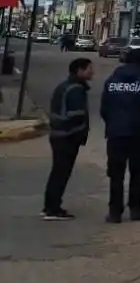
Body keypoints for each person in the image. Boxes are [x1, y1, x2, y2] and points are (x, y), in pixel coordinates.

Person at [99, 47, 140, 223]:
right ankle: (135, 209)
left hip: (115, 133)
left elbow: (104, 107)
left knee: (116, 173)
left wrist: (112, 122)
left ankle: (114, 212)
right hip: (138, 133)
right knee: (137, 171)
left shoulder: (112, 79)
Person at [42, 57, 95, 220]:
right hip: (66, 137)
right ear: (79, 71)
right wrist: (78, 131)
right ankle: (52, 209)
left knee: (58, 172)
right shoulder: (75, 90)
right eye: (89, 69)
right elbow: (76, 116)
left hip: (60, 135)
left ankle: (50, 206)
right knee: (61, 173)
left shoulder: (67, 86)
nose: (92, 72)